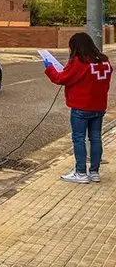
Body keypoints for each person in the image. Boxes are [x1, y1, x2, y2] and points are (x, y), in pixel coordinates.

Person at [44, 32, 112, 184]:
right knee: (95, 138)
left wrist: (49, 68)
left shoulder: (80, 61)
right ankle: (94, 172)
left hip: (81, 107)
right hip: (99, 106)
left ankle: (80, 172)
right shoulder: (104, 61)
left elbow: (61, 78)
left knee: (79, 138)